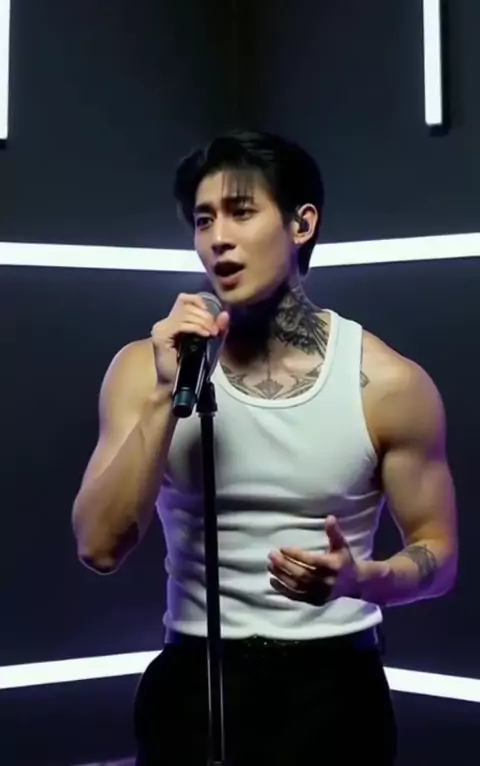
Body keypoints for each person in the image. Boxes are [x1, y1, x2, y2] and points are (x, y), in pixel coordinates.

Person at [72, 130, 458, 765]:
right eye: (204, 220)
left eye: (241, 211)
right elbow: (99, 546)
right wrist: (167, 396)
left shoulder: (387, 384)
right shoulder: (146, 370)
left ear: (302, 223)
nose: (217, 238)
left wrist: (362, 579)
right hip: (193, 684)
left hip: (335, 692)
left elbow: (438, 556)